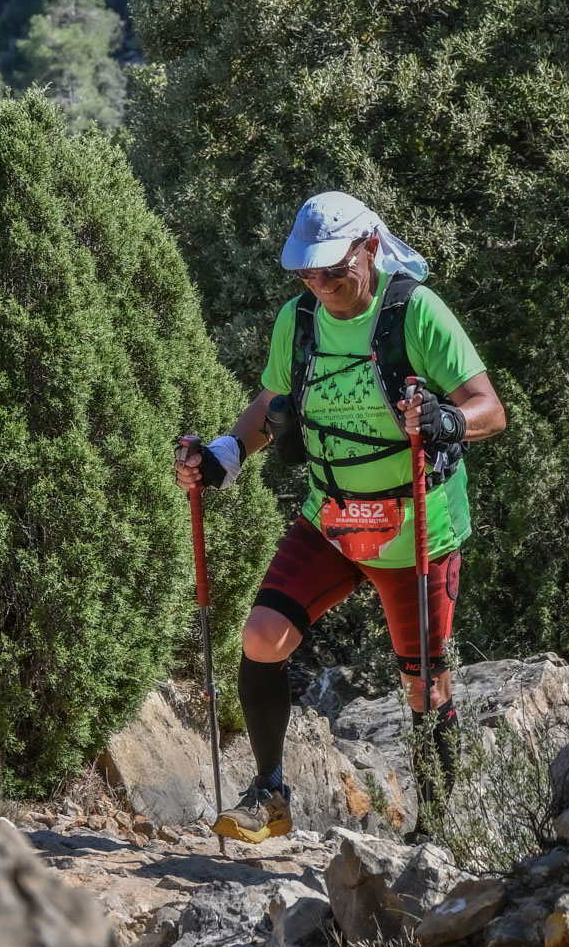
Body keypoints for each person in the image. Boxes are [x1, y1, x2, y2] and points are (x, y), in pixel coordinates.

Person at [175, 191, 505, 845]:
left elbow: (488, 410)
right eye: (308, 273)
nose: (320, 285)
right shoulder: (298, 321)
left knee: (425, 687)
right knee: (261, 637)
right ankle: (269, 796)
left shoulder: (415, 313)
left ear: (370, 247)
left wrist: (446, 420)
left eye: (333, 270)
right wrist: (224, 456)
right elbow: (272, 400)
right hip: (331, 520)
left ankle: (433, 837)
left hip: (417, 531)